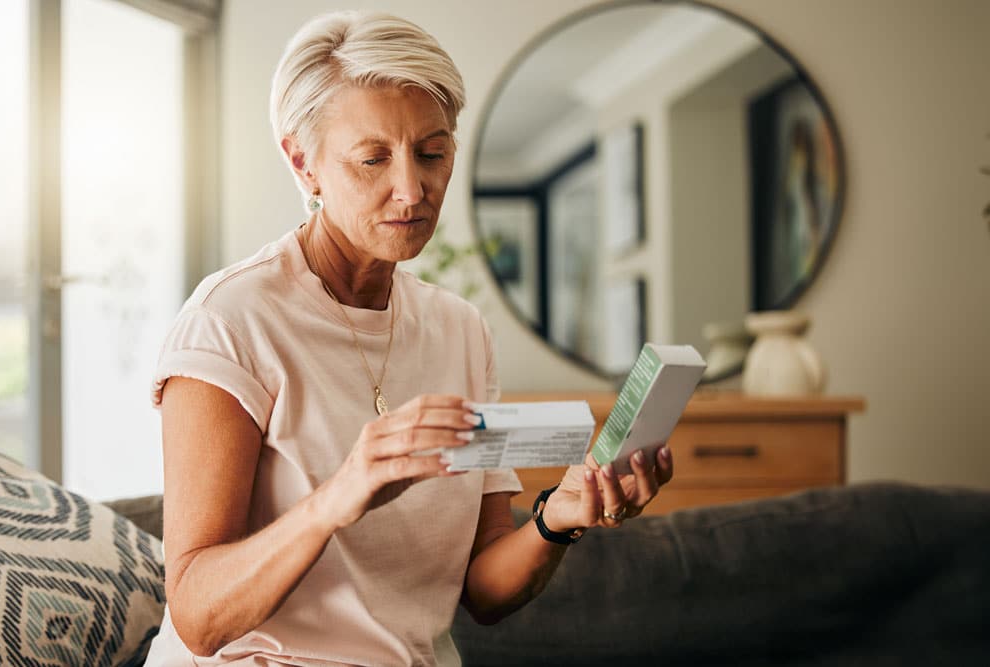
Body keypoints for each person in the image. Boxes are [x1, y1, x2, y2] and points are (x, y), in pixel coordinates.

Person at [144, 10, 673, 666]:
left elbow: (482, 587)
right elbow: (197, 614)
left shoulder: (460, 331)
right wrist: (339, 496)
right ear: (302, 162)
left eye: (432, 152)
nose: (412, 188)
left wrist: (555, 518)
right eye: (372, 159)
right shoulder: (231, 320)